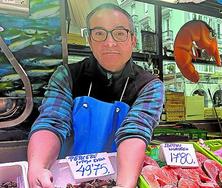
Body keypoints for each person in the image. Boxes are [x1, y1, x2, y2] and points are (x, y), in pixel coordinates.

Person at [27, 3, 164, 188]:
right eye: (99, 33)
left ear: (133, 40)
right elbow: (51, 121)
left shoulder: (149, 85)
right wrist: (37, 167)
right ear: (89, 40)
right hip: (67, 179)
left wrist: (124, 185)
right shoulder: (67, 76)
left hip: (121, 176)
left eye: (119, 33)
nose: (110, 42)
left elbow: (136, 131)